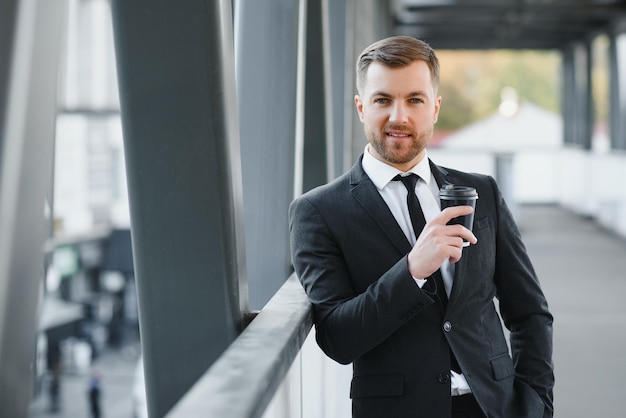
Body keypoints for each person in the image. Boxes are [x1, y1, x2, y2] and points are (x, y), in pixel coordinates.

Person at [289, 36, 554, 418]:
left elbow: (530, 311)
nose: (399, 116)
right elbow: (337, 338)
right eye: (383, 100)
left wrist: (536, 403)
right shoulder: (318, 211)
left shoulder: (482, 191)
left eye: (415, 100)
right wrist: (412, 270)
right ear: (361, 108)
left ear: (435, 108)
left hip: (495, 407)